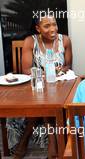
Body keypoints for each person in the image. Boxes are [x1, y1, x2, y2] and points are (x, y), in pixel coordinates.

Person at [7, 13, 72, 158]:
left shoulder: (65, 40)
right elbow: (26, 70)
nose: (52, 28)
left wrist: (60, 70)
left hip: (59, 87)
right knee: (42, 101)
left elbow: (68, 65)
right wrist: (45, 73)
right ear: (38, 28)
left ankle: (24, 141)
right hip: (36, 87)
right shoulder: (30, 41)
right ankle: (52, 142)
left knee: (48, 102)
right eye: (47, 25)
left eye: (54, 24)